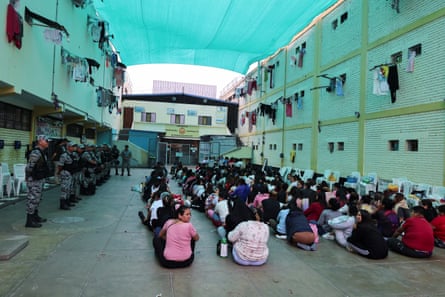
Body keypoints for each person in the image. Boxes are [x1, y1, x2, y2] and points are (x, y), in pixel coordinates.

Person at [24, 135, 50, 228]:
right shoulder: (36, 152)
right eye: (46, 140)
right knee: (32, 199)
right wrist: (28, 178)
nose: (48, 142)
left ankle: (35, 216)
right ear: (40, 141)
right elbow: (29, 167)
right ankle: (29, 221)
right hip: (34, 179)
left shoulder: (42, 152)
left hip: (39, 179)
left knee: (38, 198)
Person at [58, 142, 77, 210]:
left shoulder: (73, 154)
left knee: (69, 189)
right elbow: (60, 165)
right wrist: (59, 172)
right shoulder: (64, 155)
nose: (74, 148)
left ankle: (67, 202)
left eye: (74, 146)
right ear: (68, 147)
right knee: (64, 189)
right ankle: (63, 204)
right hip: (65, 173)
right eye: (72, 146)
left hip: (71, 174)